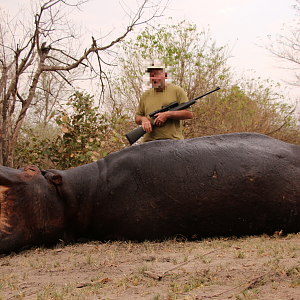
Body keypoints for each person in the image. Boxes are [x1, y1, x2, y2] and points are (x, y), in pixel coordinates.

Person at [135, 61, 193, 143]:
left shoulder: (177, 91)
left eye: (157, 74)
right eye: (152, 76)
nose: (154, 78)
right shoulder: (145, 95)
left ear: (165, 75)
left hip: (173, 142)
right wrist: (143, 119)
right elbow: (137, 117)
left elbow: (189, 114)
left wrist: (168, 114)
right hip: (149, 143)